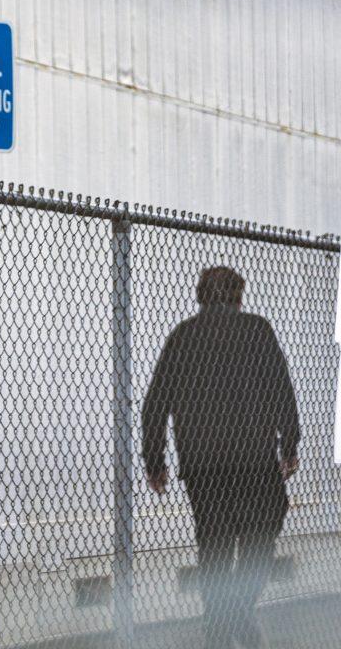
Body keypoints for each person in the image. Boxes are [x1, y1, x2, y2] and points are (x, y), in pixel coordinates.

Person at [141, 266, 299, 649]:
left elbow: (154, 403)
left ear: (200, 295)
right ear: (239, 295)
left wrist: (155, 461)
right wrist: (289, 444)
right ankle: (238, 608)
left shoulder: (182, 336)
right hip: (254, 460)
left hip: (203, 464)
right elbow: (281, 387)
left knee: (214, 545)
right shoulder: (257, 330)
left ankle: (220, 622)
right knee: (261, 534)